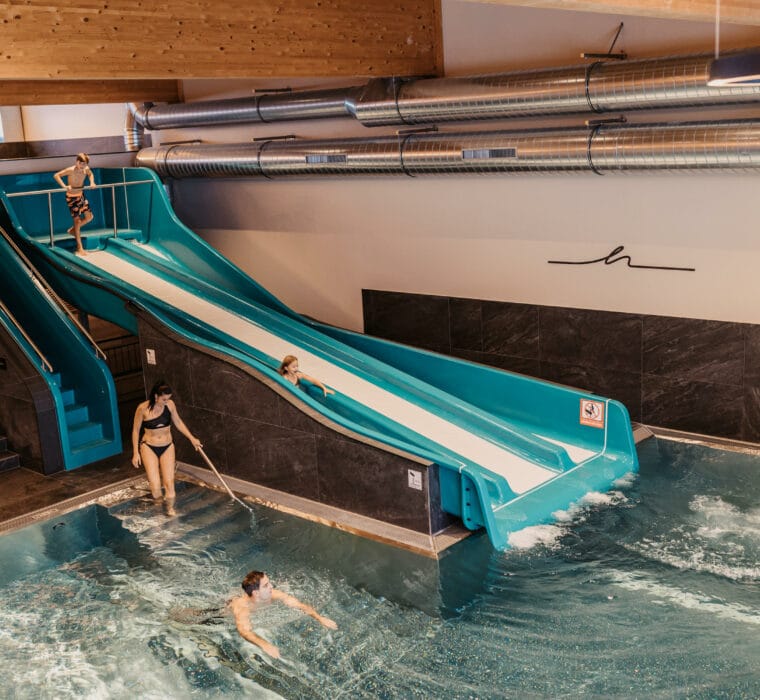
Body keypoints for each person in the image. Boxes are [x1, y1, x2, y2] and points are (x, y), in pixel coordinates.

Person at [131, 381, 202, 514]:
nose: (167, 401)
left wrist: (192, 438)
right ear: (156, 396)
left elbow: (178, 422)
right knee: (155, 485)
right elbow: (135, 430)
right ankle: (158, 510)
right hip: (149, 447)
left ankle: (170, 509)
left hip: (167, 446)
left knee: (169, 484)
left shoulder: (170, 405)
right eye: (164, 399)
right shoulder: (143, 409)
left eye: (168, 398)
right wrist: (136, 452)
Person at [230, 570, 337, 659]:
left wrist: (320, 618)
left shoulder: (274, 594)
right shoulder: (243, 607)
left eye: (269, 583)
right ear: (256, 593)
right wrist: (265, 645)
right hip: (221, 614)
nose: (271, 586)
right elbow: (244, 631)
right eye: (266, 585)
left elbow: (299, 605)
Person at [53, 153, 95, 255]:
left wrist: (92, 182)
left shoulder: (86, 169)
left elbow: (90, 174)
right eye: (81, 164)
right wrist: (65, 186)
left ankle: (73, 230)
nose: (83, 167)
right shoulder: (71, 170)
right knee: (77, 221)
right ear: (77, 162)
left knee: (89, 217)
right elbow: (56, 175)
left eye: (85, 164)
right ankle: (79, 248)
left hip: (81, 196)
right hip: (71, 198)